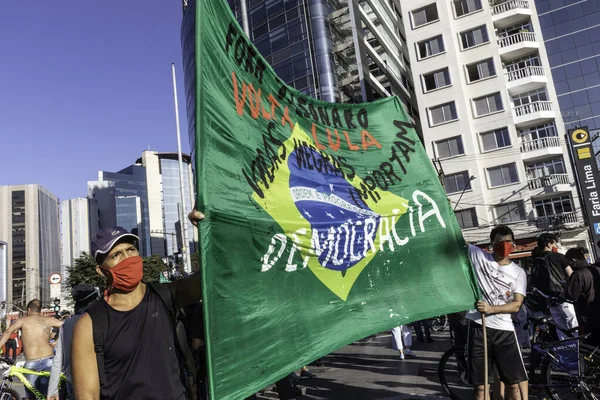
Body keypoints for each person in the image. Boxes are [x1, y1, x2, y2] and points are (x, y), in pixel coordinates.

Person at [71, 226, 202, 400]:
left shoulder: (166, 295)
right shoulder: (90, 324)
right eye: (115, 255)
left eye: (131, 249)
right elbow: (87, 395)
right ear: (101, 271)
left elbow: (212, 276)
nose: (127, 258)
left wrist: (206, 227)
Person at [466, 225, 528, 400]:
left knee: (513, 386)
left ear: (514, 244)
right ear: (492, 244)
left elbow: (516, 304)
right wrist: (447, 208)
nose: (504, 245)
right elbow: (457, 239)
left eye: (508, 241)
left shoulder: (518, 272)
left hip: (504, 331)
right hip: (479, 327)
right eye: (500, 242)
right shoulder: (479, 256)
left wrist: (491, 308)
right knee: (480, 388)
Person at [0, 299, 64, 399]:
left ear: (29, 310)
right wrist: (57, 341)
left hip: (32, 362)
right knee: (48, 393)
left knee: (31, 395)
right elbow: (67, 325)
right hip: (49, 360)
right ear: (40, 310)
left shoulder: (23, 321)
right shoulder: (48, 320)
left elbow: (7, 332)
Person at [47, 285, 101, 400]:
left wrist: (52, 390)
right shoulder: (100, 320)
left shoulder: (66, 324)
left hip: (73, 383)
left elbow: (58, 360)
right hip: (99, 383)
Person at [531, 233, 577, 339]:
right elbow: (571, 276)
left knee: (561, 331)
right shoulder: (559, 257)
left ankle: (565, 353)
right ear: (548, 244)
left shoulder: (536, 261)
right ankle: (579, 351)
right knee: (574, 327)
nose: (556, 246)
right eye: (554, 243)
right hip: (565, 299)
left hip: (550, 301)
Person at [564, 247, 600, 346]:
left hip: (588, 317)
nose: (570, 265)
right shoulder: (596, 269)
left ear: (574, 260)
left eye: (570, 262)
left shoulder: (578, 275)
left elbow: (571, 295)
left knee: (592, 346)